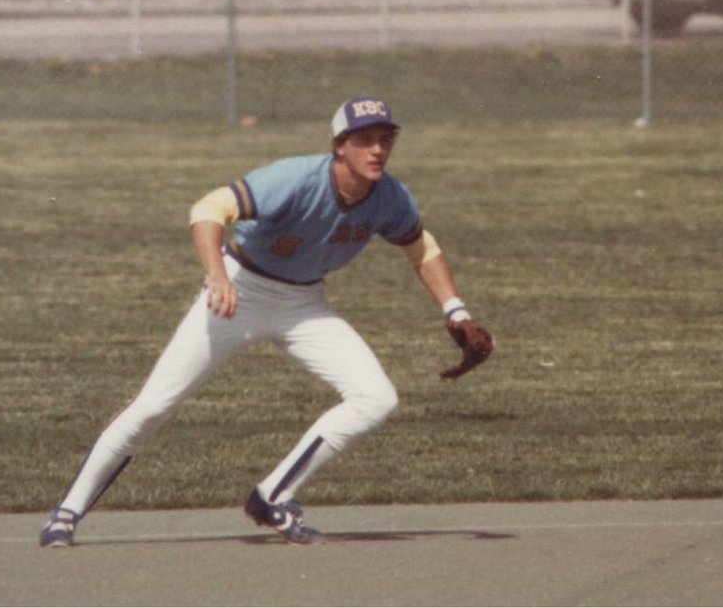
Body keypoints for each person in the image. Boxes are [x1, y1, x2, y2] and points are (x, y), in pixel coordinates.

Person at [40, 97, 494, 547]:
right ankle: (66, 513)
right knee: (156, 405)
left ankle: (273, 495)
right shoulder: (294, 178)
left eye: (385, 140)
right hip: (240, 291)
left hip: (304, 304)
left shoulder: (390, 196)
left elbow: (420, 245)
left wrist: (455, 310)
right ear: (339, 146)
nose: (377, 150)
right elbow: (207, 209)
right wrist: (217, 275)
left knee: (376, 398)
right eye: (364, 140)